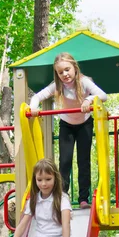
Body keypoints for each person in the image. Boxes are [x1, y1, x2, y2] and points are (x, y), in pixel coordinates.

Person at [29, 52, 107, 209]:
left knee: (83, 161)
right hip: (67, 125)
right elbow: (38, 96)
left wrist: (88, 99)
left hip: (85, 124)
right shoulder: (57, 86)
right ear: (57, 74)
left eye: (67, 69)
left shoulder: (84, 82)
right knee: (65, 162)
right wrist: (33, 108)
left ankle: (83, 199)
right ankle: (63, 197)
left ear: (75, 68)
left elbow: (103, 95)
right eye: (60, 72)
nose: (65, 74)